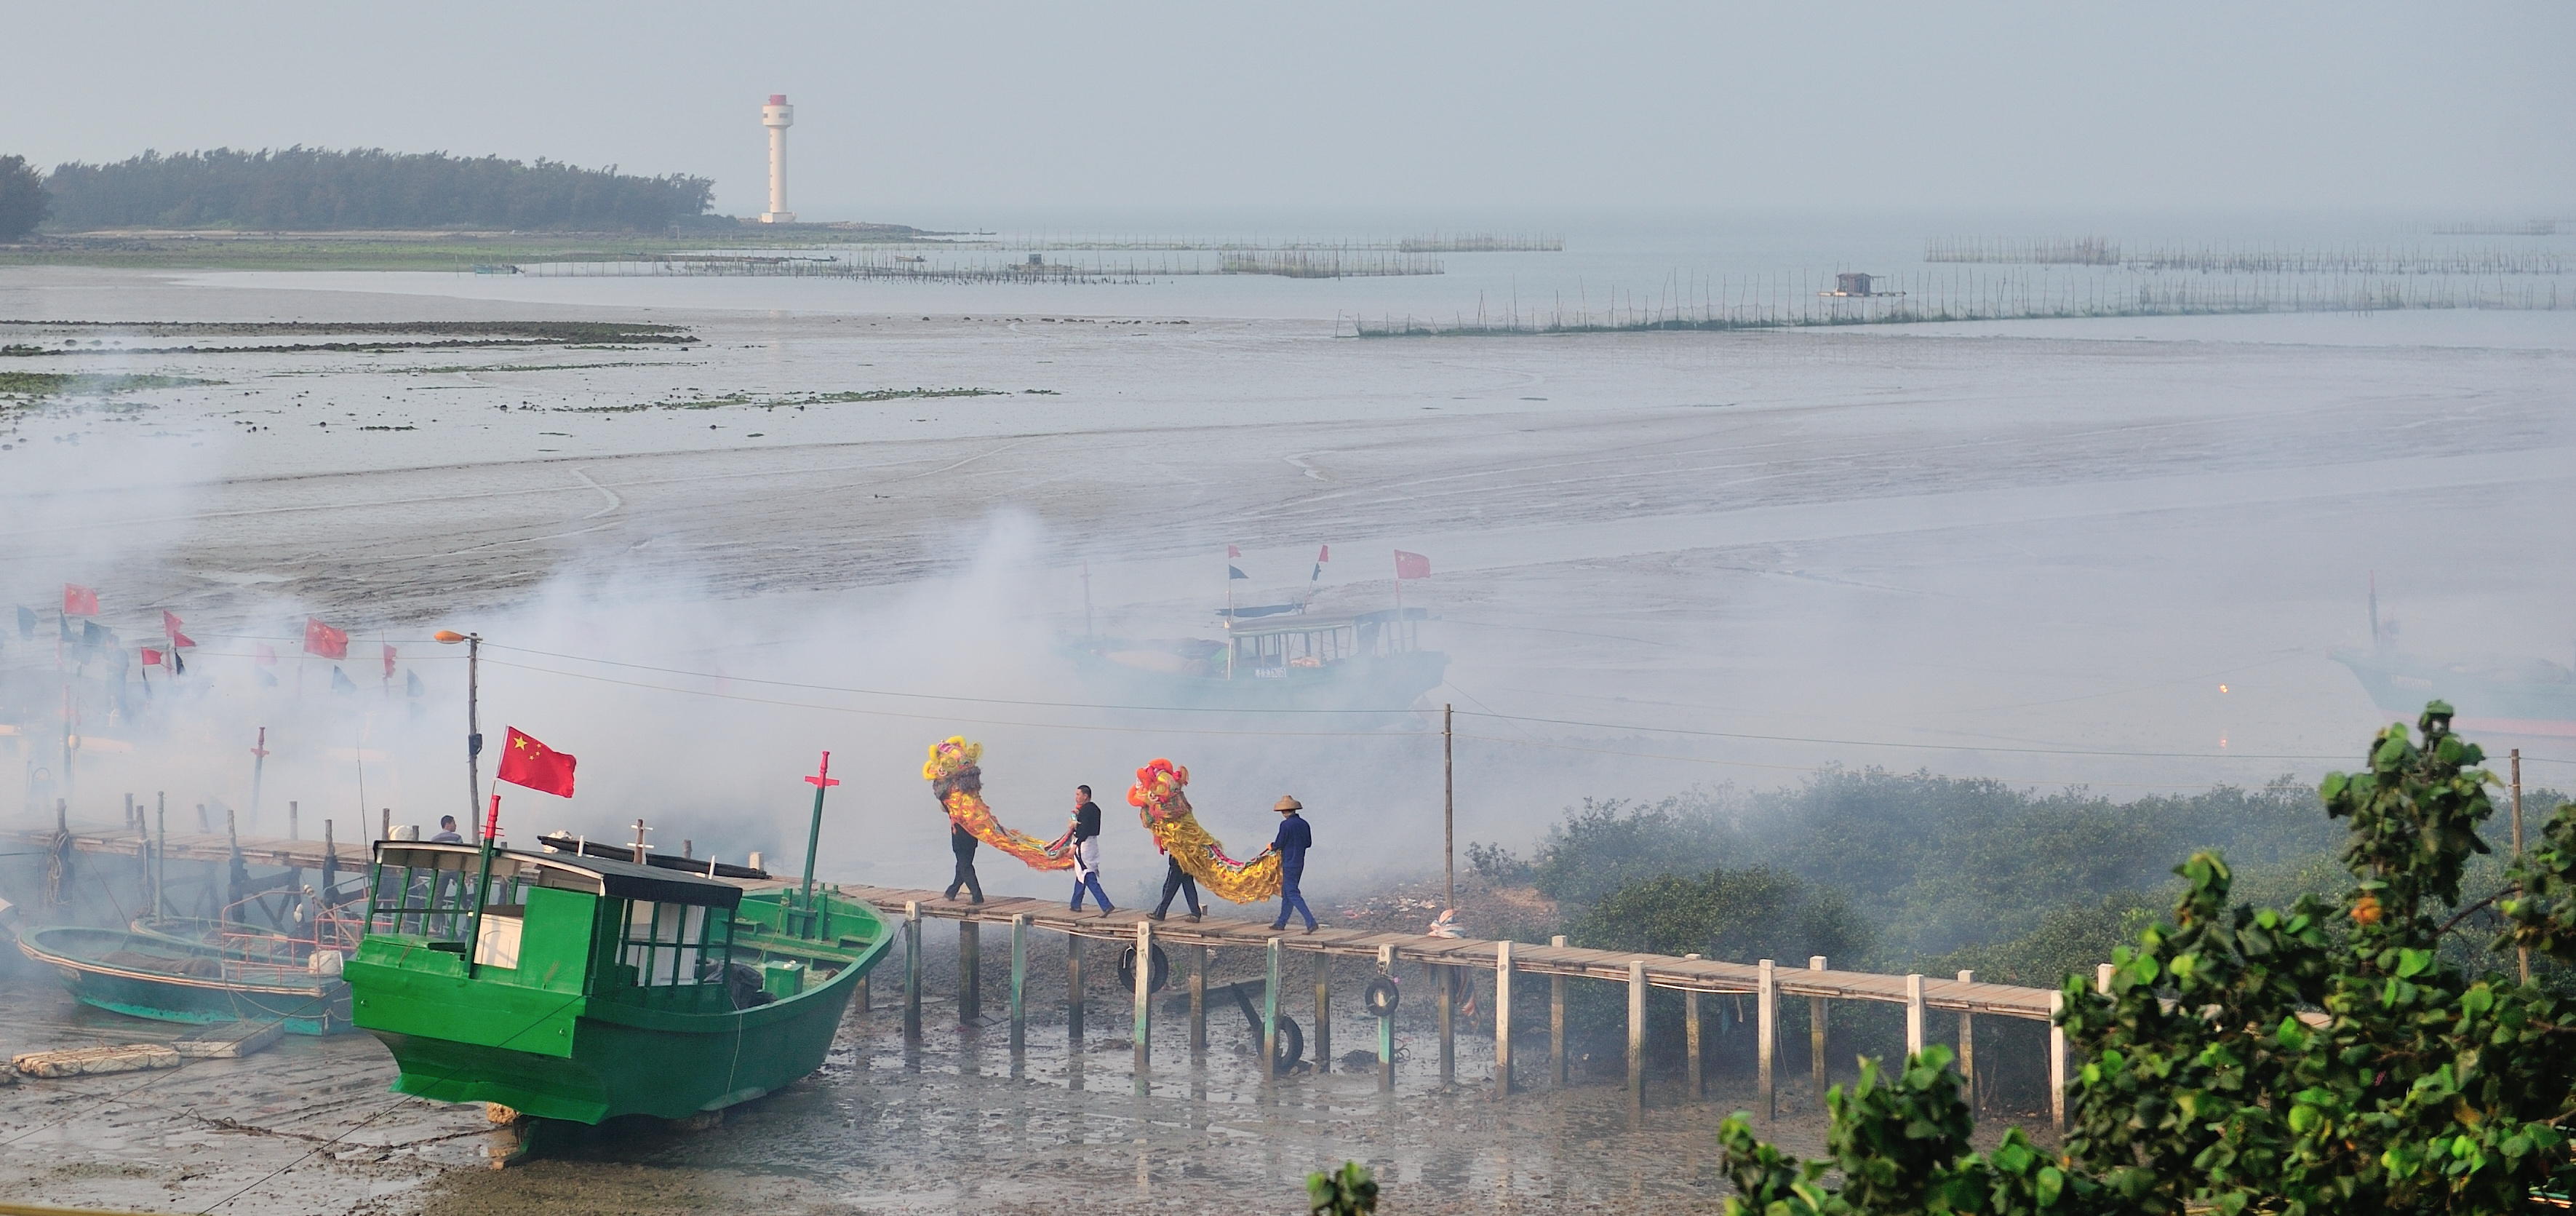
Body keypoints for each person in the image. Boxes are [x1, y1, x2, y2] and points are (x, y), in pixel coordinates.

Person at [1266, 795, 1316, 933]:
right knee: (1287, 893)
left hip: (1289, 863)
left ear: (1284, 811)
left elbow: (1279, 844)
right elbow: (1308, 843)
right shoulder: (1304, 824)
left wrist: (1272, 846)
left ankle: (1311, 922)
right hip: (1299, 862)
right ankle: (1281, 923)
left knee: (1292, 893)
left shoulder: (1285, 825)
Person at [1068, 784, 1114, 915]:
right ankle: (1075, 904)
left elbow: (1084, 830)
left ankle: (1105, 905)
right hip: (1093, 844)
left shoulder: (1086, 811)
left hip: (1084, 845)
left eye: (1078, 795)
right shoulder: (1095, 809)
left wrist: (1075, 846)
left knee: (1087, 874)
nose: (1076, 797)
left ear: (1085, 796)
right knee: (1081, 872)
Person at [1149, 835, 1202, 922]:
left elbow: (1166, 845)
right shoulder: (1184, 828)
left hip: (1178, 860)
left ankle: (1160, 913)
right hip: (1187, 858)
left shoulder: (1172, 828)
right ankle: (1195, 913)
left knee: (1169, 888)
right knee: (1188, 887)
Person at [944, 819, 984, 904]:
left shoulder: (955, 807)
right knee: (962, 867)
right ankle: (951, 891)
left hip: (961, 841)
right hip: (971, 839)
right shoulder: (973, 807)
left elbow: (943, 807)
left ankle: (977, 897)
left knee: (965, 868)